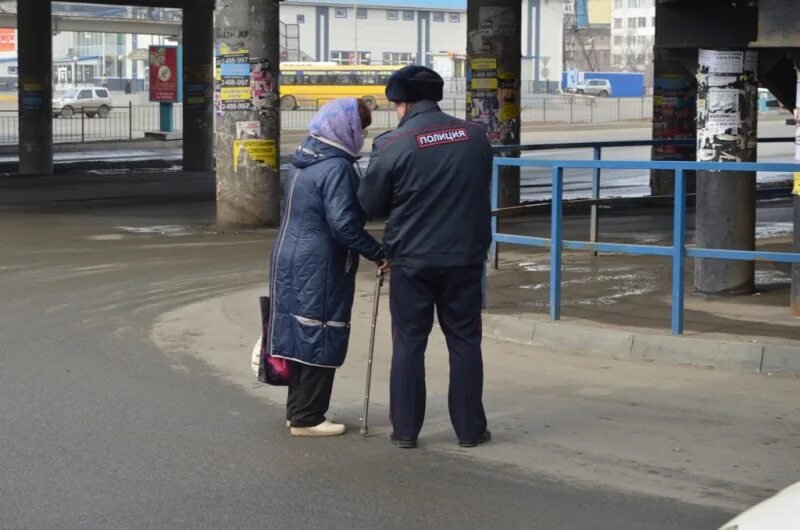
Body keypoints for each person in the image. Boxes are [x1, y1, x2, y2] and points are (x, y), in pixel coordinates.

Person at [358, 66, 494, 449]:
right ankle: (470, 430)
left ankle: (405, 431)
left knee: (409, 343)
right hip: (465, 257)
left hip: (412, 261)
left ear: (401, 104)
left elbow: (370, 204)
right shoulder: (475, 136)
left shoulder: (392, 144)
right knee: (465, 341)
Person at [268, 98, 388, 437]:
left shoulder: (303, 160)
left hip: (288, 255)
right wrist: (378, 252)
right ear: (345, 129)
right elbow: (343, 226)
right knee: (322, 327)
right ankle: (309, 417)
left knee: (298, 328)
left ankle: (298, 411)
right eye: (360, 128)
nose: (363, 136)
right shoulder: (337, 168)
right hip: (320, 260)